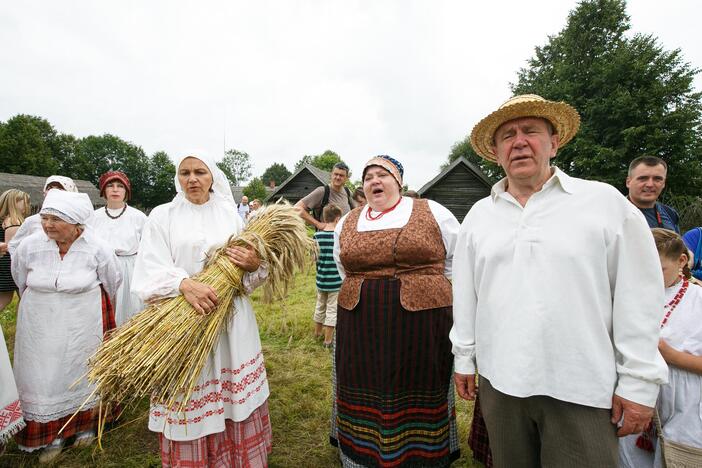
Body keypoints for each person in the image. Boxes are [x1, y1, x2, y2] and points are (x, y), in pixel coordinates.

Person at [451, 94, 668, 467]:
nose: (519, 141)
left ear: (554, 142)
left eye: (530, 131)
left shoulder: (603, 203)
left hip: (582, 384)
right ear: (496, 151)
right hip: (501, 382)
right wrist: (465, 359)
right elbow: (466, 296)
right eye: (507, 136)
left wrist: (639, 382)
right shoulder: (479, 215)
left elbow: (639, 297)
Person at [131, 153, 272, 467]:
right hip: (181, 319)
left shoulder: (230, 215)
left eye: (199, 172)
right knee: (190, 392)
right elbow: (148, 267)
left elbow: (250, 270)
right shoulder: (162, 215)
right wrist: (183, 284)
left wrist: (254, 264)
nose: (192, 179)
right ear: (177, 178)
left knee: (232, 393)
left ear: (212, 177)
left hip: (230, 321)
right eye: (184, 173)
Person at [332, 155, 461, 467]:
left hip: (422, 323)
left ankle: (420, 456)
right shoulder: (348, 221)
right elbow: (342, 268)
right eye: (368, 177)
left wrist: (426, 286)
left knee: (420, 384)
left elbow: (457, 260)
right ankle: (362, 455)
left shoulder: (433, 211)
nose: (375, 181)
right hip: (361, 321)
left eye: (383, 175)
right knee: (362, 383)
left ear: (399, 181)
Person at [11, 189, 121, 463]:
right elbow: (20, 276)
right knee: (43, 376)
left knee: (81, 370)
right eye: (45, 217)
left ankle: (84, 427)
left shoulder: (97, 247)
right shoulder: (30, 245)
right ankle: (52, 436)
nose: (47, 225)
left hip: (83, 320)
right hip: (40, 321)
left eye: (56, 219)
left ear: (76, 223)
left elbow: (112, 280)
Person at [619, 228, 702, 467]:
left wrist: (670, 355)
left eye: (659, 269)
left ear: (682, 261)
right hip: (634, 403)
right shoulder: (628, 296)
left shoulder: (697, 300)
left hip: (685, 409)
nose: (649, 276)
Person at [89, 171, 147, 326]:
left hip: (129, 268)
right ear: (103, 191)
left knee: (129, 308)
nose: (115, 190)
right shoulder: (93, 217)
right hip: (100, 268)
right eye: (110, 186)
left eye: (120, 186)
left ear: (126, 192)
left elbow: (148, 247)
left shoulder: (138, 217)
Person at [8, 175, 78, 256]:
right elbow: (14, 246)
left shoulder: (80, 220)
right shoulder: (32, 221)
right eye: (49, 188)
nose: (53, 191)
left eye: (59, 188)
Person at [312, 203, 342, 348]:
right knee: (332, 309)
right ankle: (328, 341)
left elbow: (313, 258)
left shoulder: (316, 236)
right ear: (337, 219)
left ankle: (317, 334)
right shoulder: (339, 236)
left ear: (324, 217)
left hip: (321, 280)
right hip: (335, 282)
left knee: (320, 306)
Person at [295, 162, 355, 230]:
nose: (338, 177)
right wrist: (318, 224)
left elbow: (356, 212)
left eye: (341, 175)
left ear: (346, 178)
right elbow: (297, 208)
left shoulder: (348, 192)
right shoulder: (322, 191)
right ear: (331, 175)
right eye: (336, 174)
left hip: (344, 238)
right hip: (325, 238)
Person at [626, 156, 680, 233]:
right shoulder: (613, 213)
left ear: (664, 183)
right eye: (643, 178)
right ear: (628, 182)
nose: (650, 184)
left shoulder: (670, 214)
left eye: (657, 179)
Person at [0, 189, 30, 311]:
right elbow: (14, 250)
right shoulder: (13, 222)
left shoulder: (3, 220)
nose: (28, 205)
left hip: (4, 265)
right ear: (15, 202)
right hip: (8, 267)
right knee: (24, 299)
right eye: (26, 202)